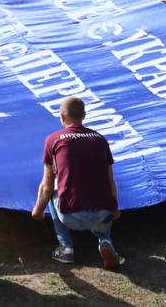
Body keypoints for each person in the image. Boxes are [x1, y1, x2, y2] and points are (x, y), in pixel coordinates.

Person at [30, 96, 124, 269]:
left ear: (61, 117)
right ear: (84, 115)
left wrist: (37, 211)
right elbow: (110, 179)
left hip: (71, 216)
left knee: (53, 189)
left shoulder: (54, 140)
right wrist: (115, 208)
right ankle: (105, 241)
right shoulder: (100, 139)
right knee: (99, 185)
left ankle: (65, 247)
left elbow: (46, 186)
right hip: (103, 215)